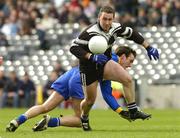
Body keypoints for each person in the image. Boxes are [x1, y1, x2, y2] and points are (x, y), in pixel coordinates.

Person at [70, 5, 159, 131]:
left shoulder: (116, 28)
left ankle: (133, 110)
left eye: (110, 19)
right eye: (104, 19)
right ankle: (84, 117)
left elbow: (133, 34)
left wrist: (148, 47)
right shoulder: (89, 32)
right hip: (88, 68)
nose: (107, 22)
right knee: (90, 101)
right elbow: (73, 47)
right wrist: (90, 56)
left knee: (128, 79)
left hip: (105, 63)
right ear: (98, 18)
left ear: (113, 19)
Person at [6, 46, 134, 132]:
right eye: (130, 61)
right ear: (122, 57)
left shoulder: (107, 60)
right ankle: (50, 122)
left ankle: (18, 120)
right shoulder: (112, 62)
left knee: (45, 107)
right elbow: (107, 94)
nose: (130, 65)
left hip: (69, 75)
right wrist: (121, 111)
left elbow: (107, 93)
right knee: (80, 120)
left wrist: (120, 111)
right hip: (78, 80)